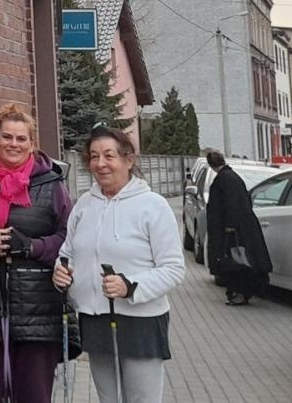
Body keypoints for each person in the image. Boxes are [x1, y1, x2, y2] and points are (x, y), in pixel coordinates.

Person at [54, 127, 185, 403]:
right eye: (93, 156)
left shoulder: (154, 206)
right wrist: (62, 271)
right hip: (95, 318)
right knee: (108, 399)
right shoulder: (84, 206)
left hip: (140, 322)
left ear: (128, 159)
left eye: (109, 155)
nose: (100, 164)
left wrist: (131, 286)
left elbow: (174, 268)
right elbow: (68, 252)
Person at [0, 105, 71, 403]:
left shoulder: (52, 185)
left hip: (37, 308)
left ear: (32, 143)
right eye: (7, 136)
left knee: (33, 394)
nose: (14, 144)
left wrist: (30, 246)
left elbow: (69, 238)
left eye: (22, 139)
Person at [202, 149, 272, 305]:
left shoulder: (223, 180)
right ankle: (242, 292)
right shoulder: (233, 177)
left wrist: (229, 227)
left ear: (211, 165)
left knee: (236, 262)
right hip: (244, 228)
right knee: (243, 261)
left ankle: (239, 293)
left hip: (234, 231)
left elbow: (229, 205)